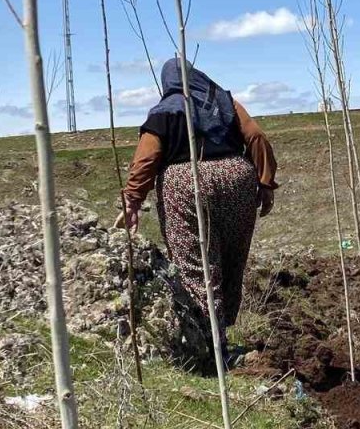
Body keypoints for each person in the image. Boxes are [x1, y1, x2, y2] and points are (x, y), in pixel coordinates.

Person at [119, 58, 278, 370]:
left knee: (197, 267)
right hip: (237, 179)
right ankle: (224, 337)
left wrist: (133, 199)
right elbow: (256, 137)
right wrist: (265, 181)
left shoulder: (164, 111)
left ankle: (212, 346)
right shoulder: (226, 103)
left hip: (185, 183)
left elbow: (148, 157)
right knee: (231, 259)